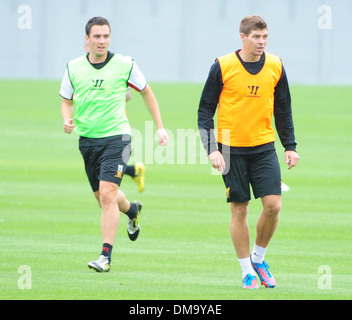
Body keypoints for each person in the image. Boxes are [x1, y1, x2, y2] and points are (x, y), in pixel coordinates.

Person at [59, 17, 169, 272]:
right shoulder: (73, 67)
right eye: (97, 36)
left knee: (107, 194)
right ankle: (132, 210)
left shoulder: (125, 64)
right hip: (87, 141)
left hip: (117, 137)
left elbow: (146, 92)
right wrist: (67, 119)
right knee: (103, 198)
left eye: (106, 36)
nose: (102, 41)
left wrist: (160, 127)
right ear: (86, 40)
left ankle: (105, 257)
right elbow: (66, 99)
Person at [198, 15, 299, 289]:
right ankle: (246, 271)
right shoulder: (222, 65)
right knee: (240, 209)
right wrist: (211, 150)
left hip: (264, 147)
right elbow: (205, 111)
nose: (261, 42)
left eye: (265, 37)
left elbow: (283, 109)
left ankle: (259, 258)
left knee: (273, 205)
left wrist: (290, 146)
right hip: (230, 149)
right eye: (256, 37)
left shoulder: (276, 65)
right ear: (242, 37)